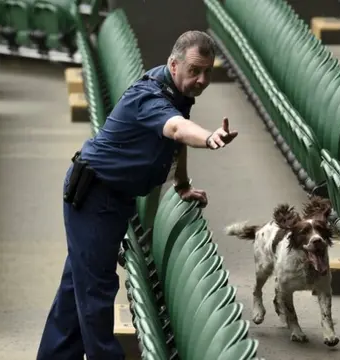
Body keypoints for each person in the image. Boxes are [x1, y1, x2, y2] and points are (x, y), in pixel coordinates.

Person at [36, 30, 238, 360]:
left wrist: (182, 183)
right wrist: (209, 137)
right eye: (194, 71)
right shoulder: (149, 96)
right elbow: (176, 129)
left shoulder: (176, 90)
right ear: (174, 65)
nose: (202, 80)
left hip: (113, 199)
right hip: (94, 199)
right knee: (96, 294)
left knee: (76, 291)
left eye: (208, 73)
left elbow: (177, 135)